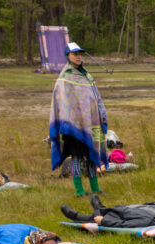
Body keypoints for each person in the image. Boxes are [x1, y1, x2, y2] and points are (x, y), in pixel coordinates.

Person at [49, 42, 107, 197]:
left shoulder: (86, 75)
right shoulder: (65, 77)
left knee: (91, 155)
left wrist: (100, 115)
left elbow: (94, 97)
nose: (78, 56)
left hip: (90, 123)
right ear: (68, 56)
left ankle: (95, 188)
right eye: (74, 54)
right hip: (73, 125)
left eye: (79, 53)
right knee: (76, 157)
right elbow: (61, 101)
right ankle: (79, 190)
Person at [60, 196, 155, 228]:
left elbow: (124, 224)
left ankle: (78, 216)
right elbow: (150, 204)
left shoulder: (149, 221)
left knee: (95, 217)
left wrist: (103, 221)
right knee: (104, 211)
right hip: (128, 209)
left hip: (118, 214)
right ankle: (98, 206)